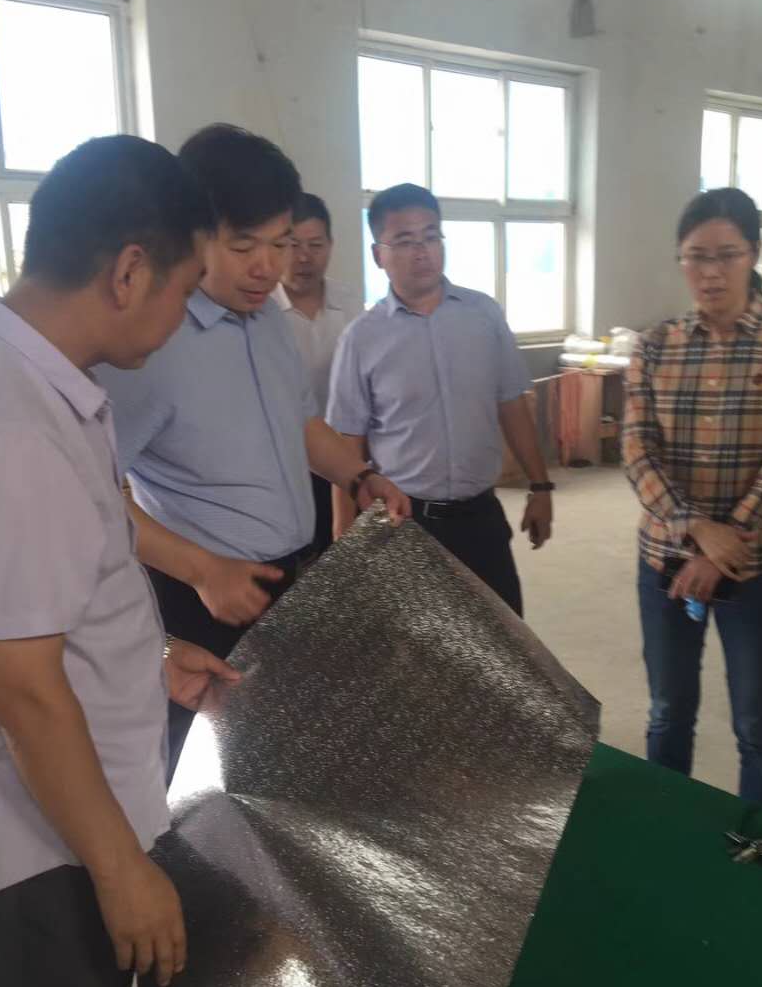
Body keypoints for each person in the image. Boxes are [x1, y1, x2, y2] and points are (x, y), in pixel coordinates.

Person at [0, 135, 241, 987]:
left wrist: (151, 656)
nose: (180, 318)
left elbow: (43, 594)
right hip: (41, 850)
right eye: (184, 288)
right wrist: (123, 869)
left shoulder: (33, 381)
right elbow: (22, 688)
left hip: (69, 816)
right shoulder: (16, 427)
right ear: (130, 270)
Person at [97, 126, 409, 779]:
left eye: (280, 243)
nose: (268, 266)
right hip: (202, 600)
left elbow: (300, 421)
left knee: (291, 763)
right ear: (191, 234)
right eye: (244, 246)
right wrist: (202, 571)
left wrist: (358, 476)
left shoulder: (266, 317)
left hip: (290, 579)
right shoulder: (150, 343)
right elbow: (90, 498)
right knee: (208, 782)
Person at [623, 187, 762, 809]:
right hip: (666, 560)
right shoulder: (654, 346)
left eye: (727, 255)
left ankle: (755, 848)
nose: (710, 272)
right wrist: (695, 530)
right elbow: (637, 449)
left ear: (755, 254)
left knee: (759, 728)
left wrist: (723, 545)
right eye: (696, 256)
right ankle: (666, 834)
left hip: (758, 565)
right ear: (680, 259)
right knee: (668, 712)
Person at [326, 183, 553, 617]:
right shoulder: (361, 339)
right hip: (405, 523)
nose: (422, 252)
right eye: (405, 241)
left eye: (431, 236)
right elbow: (347, 442)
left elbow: (512, 404)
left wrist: (540, 485)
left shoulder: (484, 315)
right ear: (378, 255)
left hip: (481, 517)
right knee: (419, 653)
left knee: (505, 644)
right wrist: (343, 535)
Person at [274, 193, 362, 553]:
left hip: (346, 458)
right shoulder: (260, 312)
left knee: (346, 558)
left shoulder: (351, 303)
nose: (304, 257)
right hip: (285, 468)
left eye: (315, 245)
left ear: (330, 246)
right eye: (293, 245)